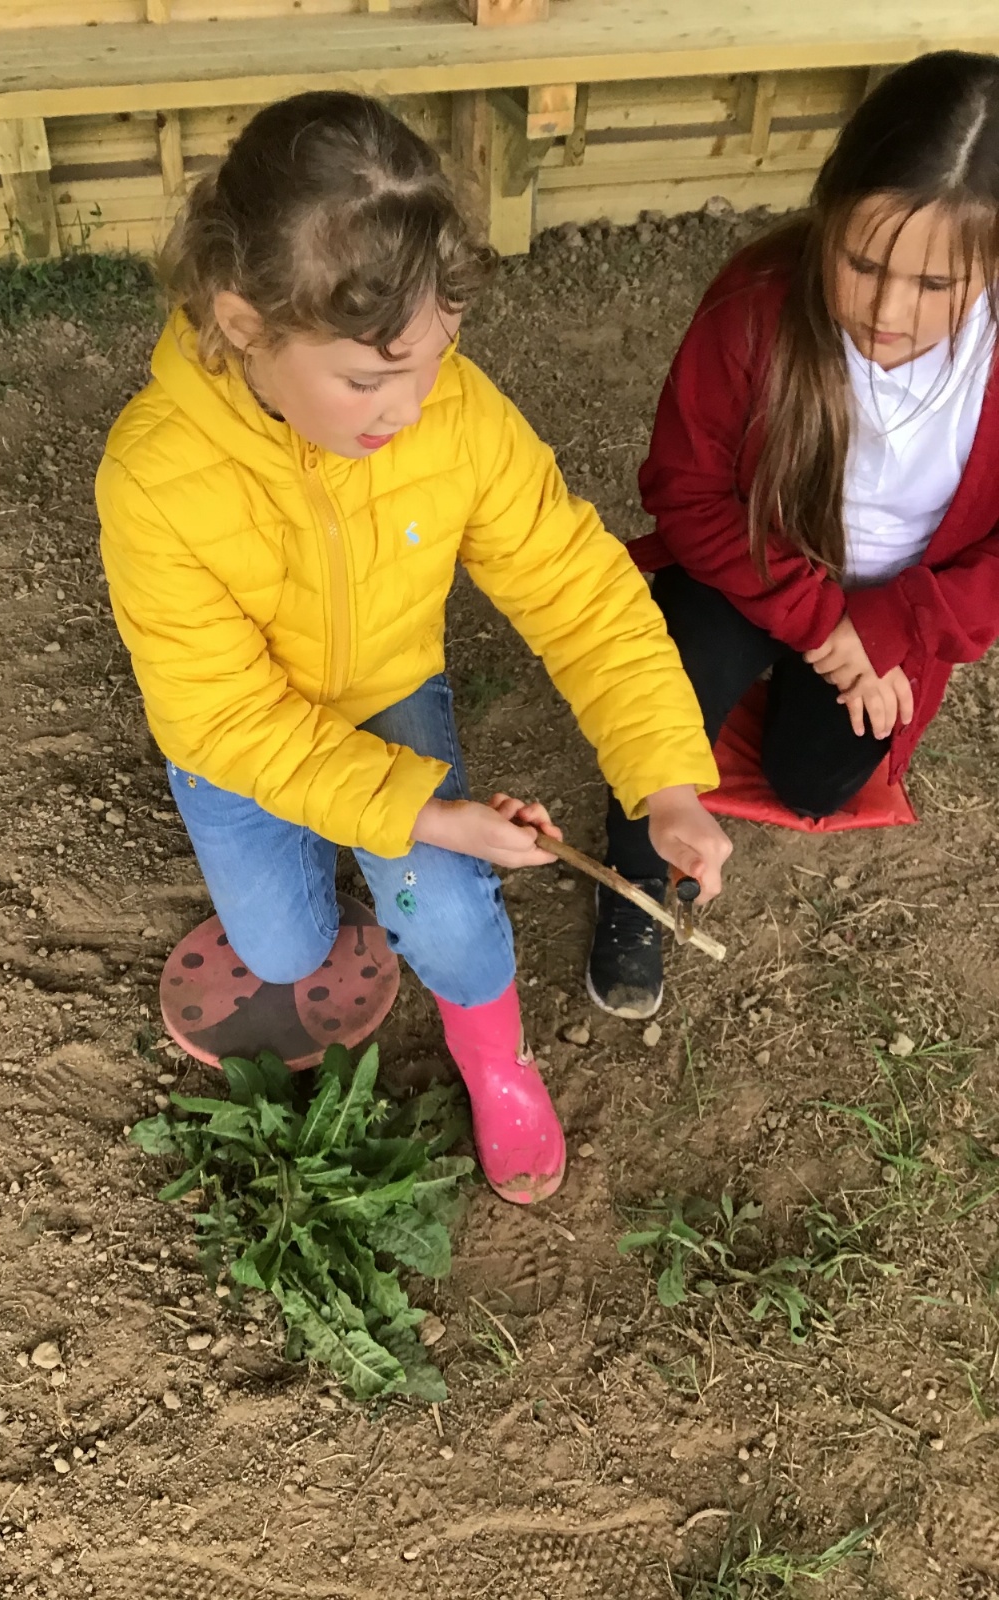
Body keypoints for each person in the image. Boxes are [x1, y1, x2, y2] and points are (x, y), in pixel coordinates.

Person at [96, 91, 731, 1206]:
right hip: (236, 741)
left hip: (388, 689)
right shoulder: (154, 476)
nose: (410, 405)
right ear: (242, 323)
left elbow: (580, 587)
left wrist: (665, 777)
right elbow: (225, 716)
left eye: (433, 360)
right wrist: (424, 814)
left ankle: (499, 1065)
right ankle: (319, 877)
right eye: (368, 378)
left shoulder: (456, 416)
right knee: (284, 953)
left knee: (449, 915)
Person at [588, 49, 999, 1022]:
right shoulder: (758, 301)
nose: (888, 313)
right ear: (826, 215)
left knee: (814, 784)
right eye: (862, 265)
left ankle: (785, 696)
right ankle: (633, 875)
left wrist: (891, 628)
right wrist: (823, 627)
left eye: (936, 284)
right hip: (749, 565)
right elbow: (686, 491)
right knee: (673, 681)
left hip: (897, 604)